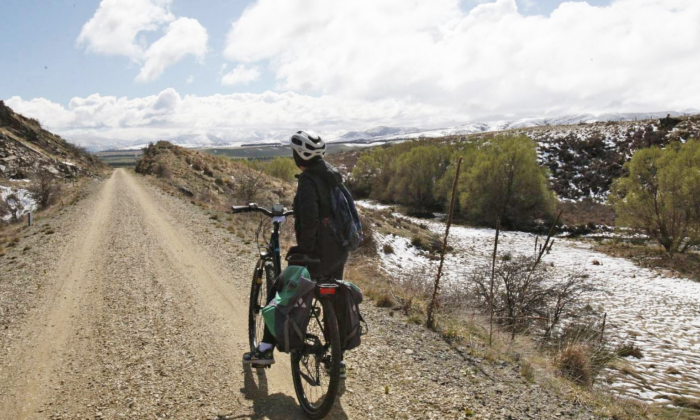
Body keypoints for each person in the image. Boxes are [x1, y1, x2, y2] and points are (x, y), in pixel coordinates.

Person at [243, 130, 349, 378]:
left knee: (279, 288)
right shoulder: (333, 176)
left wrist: (304, 250)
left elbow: (310, 220)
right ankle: (337, 360)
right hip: (339, 252)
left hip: (318, 254)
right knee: (333, 297)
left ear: (299, 156)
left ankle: (265, 349)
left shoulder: (308, 181)